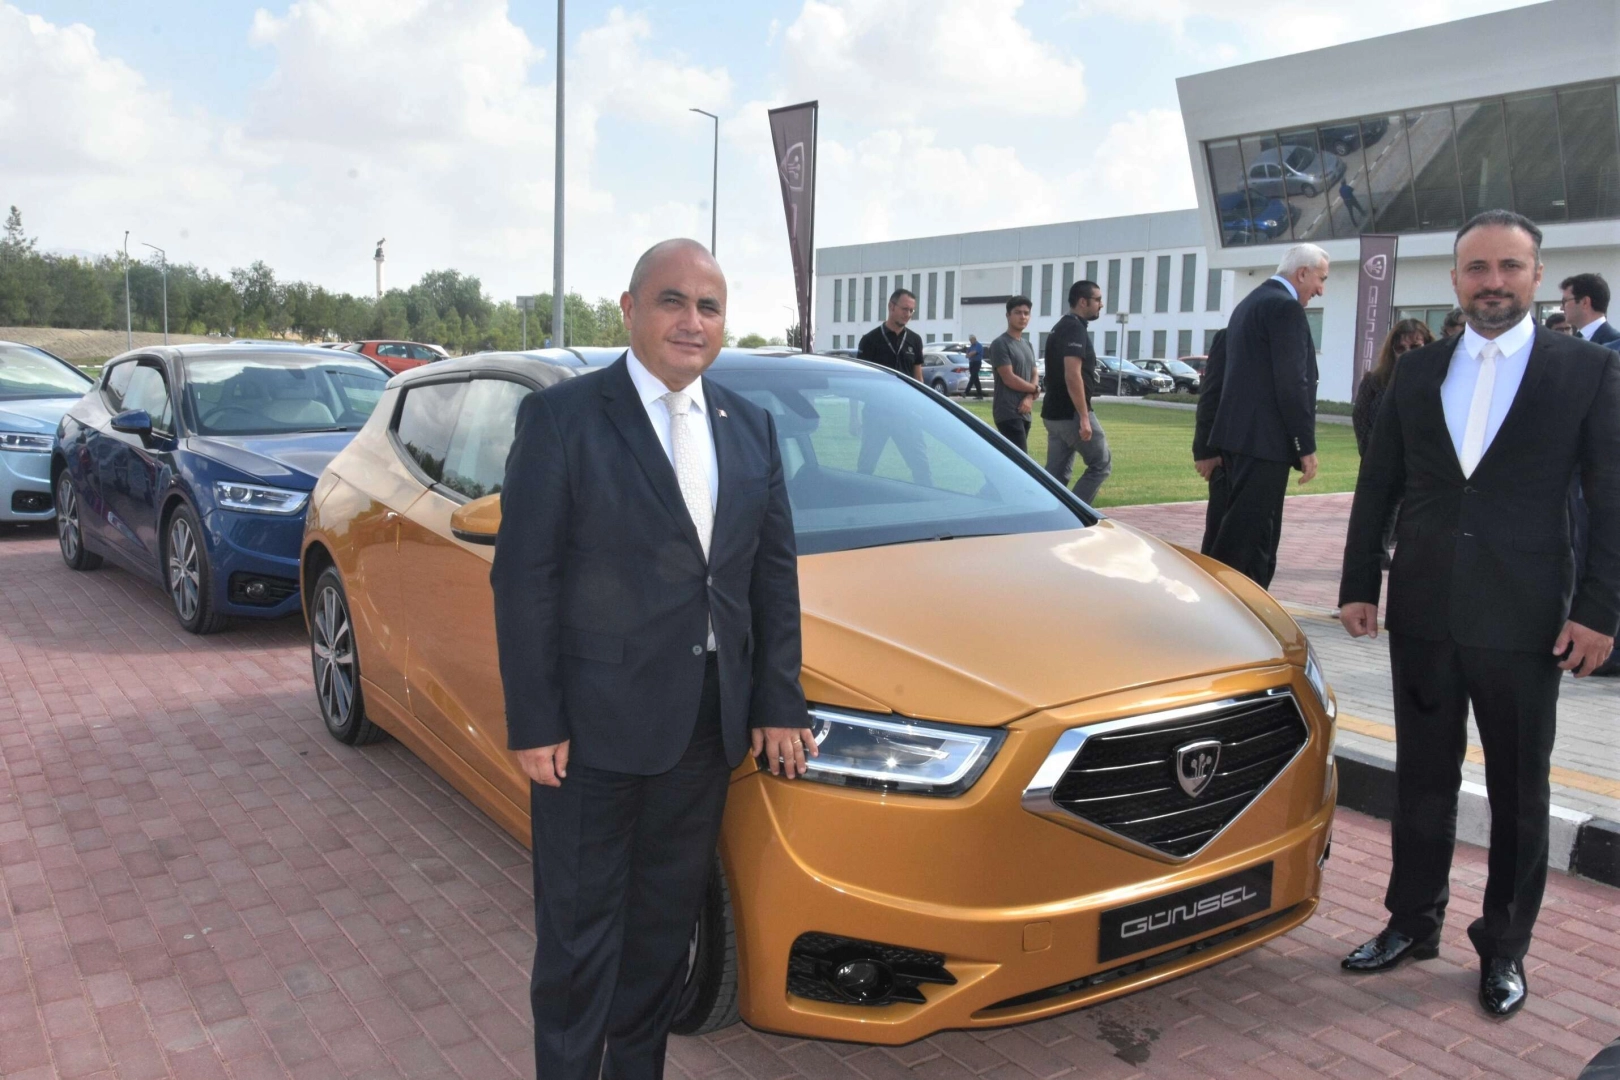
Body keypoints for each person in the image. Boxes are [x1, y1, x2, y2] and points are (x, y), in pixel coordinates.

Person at [491, 238, 816, 1080]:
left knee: (661, 937)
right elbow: (524, 579)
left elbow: (770, 576)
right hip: (588, 736)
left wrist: (777, 699)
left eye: (709, 307)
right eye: (673, 300)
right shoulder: (563, 419)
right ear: (630, 309)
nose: (692, 321)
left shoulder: (749, 426)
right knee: (578, 943)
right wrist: (536, 719)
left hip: (704, 731)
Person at [1337, 210, 1620, 1019]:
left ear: (1537, 276)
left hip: (1528, 619)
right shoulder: (1417, 373)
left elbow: (1611, 499)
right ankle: (1411, 922)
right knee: (1421, 780)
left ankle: (1504, 947)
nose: (1492, 283)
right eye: (1476, 268)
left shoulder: (1587, 370)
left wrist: (1599, 611)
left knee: (1519, 791)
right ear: (1456, 278)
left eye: (1509, 267)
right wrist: (1360, 582)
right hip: (1424, 607)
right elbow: (1380, 482)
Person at [1205, 244, 1328, 588]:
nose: (1321, 289)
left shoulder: (1249, 304)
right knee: (1244, 541)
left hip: (1241, 441)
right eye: (1321, 279)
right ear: (1302, 273)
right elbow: (1292, 382)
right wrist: (1305, 445)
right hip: (1264, 445)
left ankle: (1249, 607)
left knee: (1254, 540)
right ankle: (1221, 606)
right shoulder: (1285, 308)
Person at [1352, 318, 1435, 568]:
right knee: (1379, 516)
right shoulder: (1375, 380)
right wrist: (1371, 454)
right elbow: (1361, 419)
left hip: (1420, 462)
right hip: (1381, 461)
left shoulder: (1436, 380)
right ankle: (1378, 558)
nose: (1407, 353)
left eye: (1415, 347)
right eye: (1400, 348)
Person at [1041, 280, 1111, 503]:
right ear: (1083, 301)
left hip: (1054, 413)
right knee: (1101, 464)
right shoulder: (1074, 328)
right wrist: (1083, 416)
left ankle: (1047, 513)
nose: (1101, 304)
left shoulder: (1060, 326)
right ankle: (1076, 514)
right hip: (1071, 414)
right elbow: (1072, 374)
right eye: (1097, 300)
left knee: (1056, 476)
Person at [855, 288, 931, 484]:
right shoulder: (870, 340)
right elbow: (858, 381)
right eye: (905, 309)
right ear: (891, 306)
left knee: (921, 466)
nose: (908, 314)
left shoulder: (915, 340)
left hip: (906, 414)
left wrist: (921, 409)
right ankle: (858, 499)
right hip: (876, 413)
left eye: (912, 310)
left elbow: (918, 377)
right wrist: (853, 417)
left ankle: (929, 499)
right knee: (866, 466)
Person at [1192, 328, 1229, 555]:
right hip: (1227, 456)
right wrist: (1205, 451)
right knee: (1219, 533)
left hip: (1265, 456)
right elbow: (1211, 395)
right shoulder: (1229, 337)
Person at [989, 296, 1039, 451]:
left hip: (1025, 411)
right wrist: (1035, 389)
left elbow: (1034, 373)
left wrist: (1029, 397)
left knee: (1011, 459)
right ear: (1008, 315)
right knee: (1020, 459)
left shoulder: (1027, 344)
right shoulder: (1000, 344)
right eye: (1018, 312)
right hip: (1008, 412)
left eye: (1026, 313)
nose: (1022, 317)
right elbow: (1009, 378)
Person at [1560, 272, 1620, 349]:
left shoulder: (1615, 345)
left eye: (1564, 301)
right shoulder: (1574, 340)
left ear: (1585, 302)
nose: (1561, 307)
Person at [965, 333, 987, 399]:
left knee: (972, 378)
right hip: (971, 363)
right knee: (976, 380)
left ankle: (966, 392)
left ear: (974, 339)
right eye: (970, 340)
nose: (970, 341)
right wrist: (969, 354)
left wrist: (970, 354)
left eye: (971, 340)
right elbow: (967, 355)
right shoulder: (971, 346)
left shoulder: (978, 345)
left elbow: (973, 353)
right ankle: (980, 395)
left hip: (977, 363)